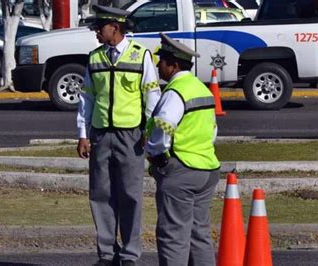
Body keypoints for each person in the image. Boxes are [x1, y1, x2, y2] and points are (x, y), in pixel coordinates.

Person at [76, 5, 161, 266]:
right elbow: (86, 99)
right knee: (100, 194)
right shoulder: (94, 59)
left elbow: (152, 96)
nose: (96, 33)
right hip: (101, 135)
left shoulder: (140, 56)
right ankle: (106, 253)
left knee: (131, 195)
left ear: (116, 27)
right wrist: (82, 134)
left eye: (100, 27)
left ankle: (130, 254)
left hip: (131, 136)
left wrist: (149, 131)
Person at [145, 33, 221, 266]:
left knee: (173, 237)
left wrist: (157, 154)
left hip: (181, 171)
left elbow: (163, 126)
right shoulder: (202, 89)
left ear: (174, 65)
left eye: (162, 61)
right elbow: (213, 130)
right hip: (207, 169)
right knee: (199, 236)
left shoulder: (175, 92)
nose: (158, 66)